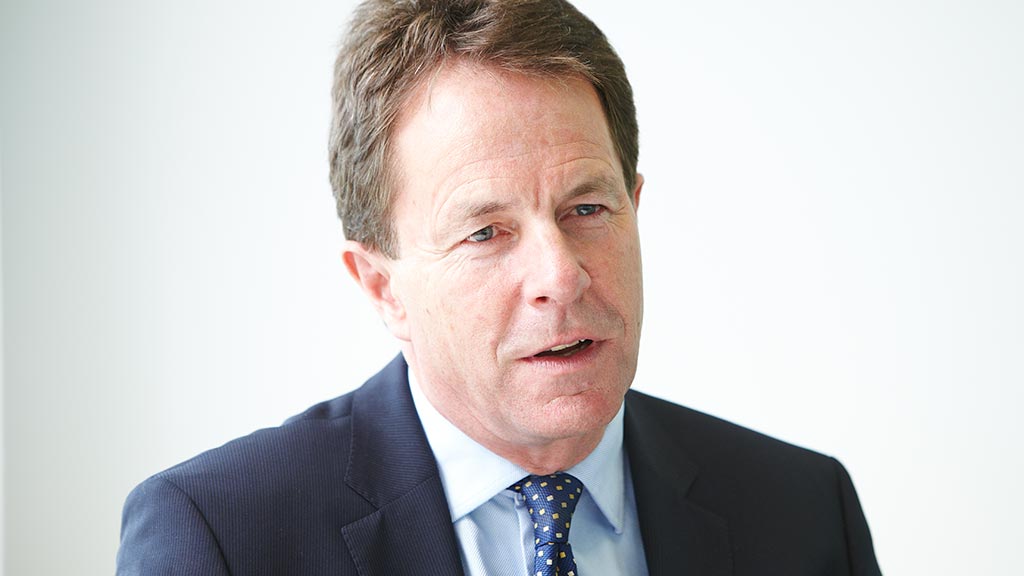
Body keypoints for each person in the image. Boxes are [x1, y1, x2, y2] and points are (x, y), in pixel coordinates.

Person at [117, 0, 882, 574]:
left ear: (634, 208)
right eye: (485, 232)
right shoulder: (219, 538)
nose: (560, 275)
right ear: (382, 287)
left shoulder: (804, 512)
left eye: (587, 209)